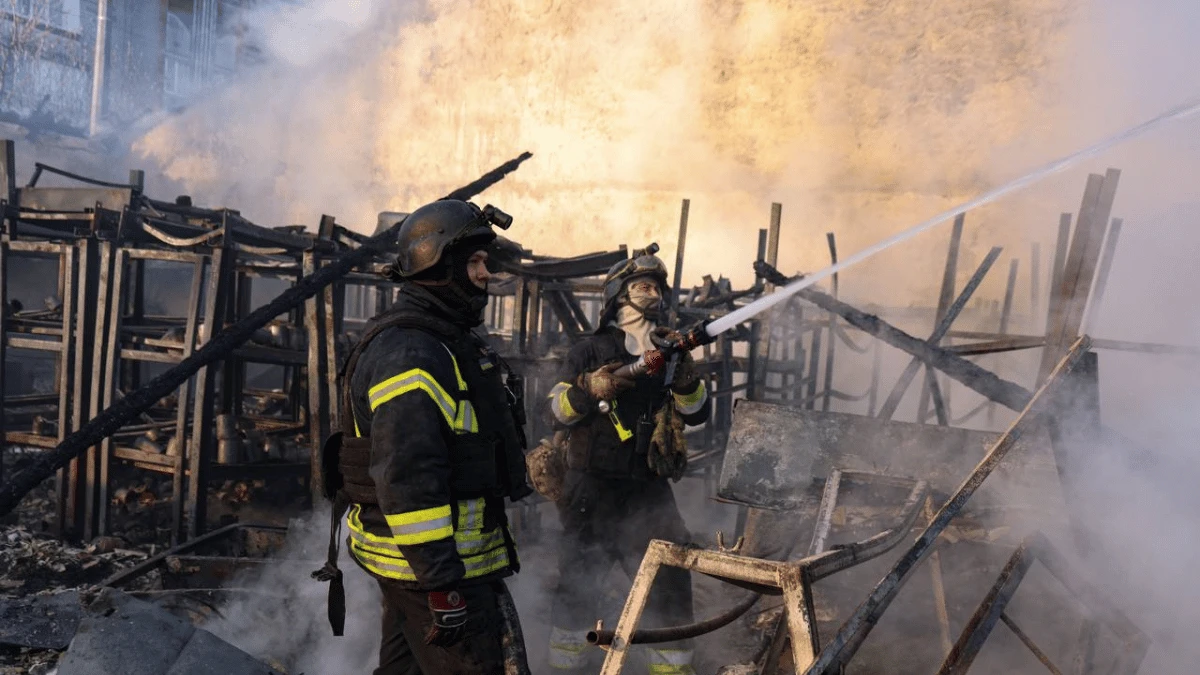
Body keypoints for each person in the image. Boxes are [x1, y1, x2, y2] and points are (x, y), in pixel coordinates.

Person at [314, 199, 532, 675]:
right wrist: (442, 583)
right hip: (434, 571)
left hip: (419, 569)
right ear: (438, 264)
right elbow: (408, 476)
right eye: (474, 262)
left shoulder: (440, 340)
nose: (486, 274)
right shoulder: (413, 353)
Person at [543, 248, 711, 674]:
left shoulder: (670, 352)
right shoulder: (588, 351)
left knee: (669, 581)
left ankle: (670, 668)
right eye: (643, 286)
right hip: (590, 487)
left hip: (647, 489)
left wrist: (687, 380)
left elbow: (697, 414)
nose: (653, 294)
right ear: (618, 294)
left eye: (657, 288)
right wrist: (586, 389)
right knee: (579, 581)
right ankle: (566, 666)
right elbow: (554, 412)